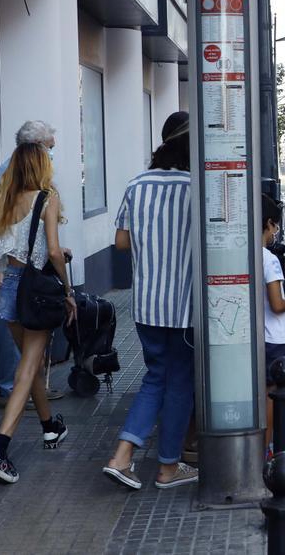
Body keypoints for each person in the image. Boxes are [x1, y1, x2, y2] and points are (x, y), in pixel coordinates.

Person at [102, 112, 198, 490]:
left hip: (147, 304)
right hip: (184, 306)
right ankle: (167, 468)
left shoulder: (136, 184)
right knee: (179, 383)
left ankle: (123, 455)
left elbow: (121, 243)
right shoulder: (195, 186)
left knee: (155, 377)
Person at [0, 143, 76, 483]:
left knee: (28, 366)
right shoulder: (47, 198)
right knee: (27, 368)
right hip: (35, 291)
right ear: (41, 166)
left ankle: (50, 427)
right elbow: (52, 250)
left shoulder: (0, 202)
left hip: (8, 291)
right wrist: (67, 290)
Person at [0, 120, 65, 408]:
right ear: (36, 148)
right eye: (50, 148)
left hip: (19, 268)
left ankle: (36, 403)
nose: (52, 154)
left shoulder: (18, 172)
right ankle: (11, 393)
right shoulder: (13, 173)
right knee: (21, 344)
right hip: (16, 272)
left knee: (27, 347)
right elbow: (1, 228)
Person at [261, 194, 285, 458]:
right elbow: (276, 303)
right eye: (275, 227)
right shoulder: (269, 259)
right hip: (274, 337)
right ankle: (266, 449)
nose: (276, 233)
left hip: (257, 336)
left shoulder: (246, 255)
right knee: (271, 396)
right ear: (269, 224)